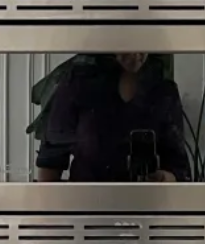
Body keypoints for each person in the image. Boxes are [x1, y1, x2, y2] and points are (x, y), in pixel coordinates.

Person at [35, 53, 192, 183]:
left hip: (146, 211)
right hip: (87, 211)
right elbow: (50, 166)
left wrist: (163, 178)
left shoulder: (163, 89)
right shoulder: (78, 83)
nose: (136, 52)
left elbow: (180, 170)